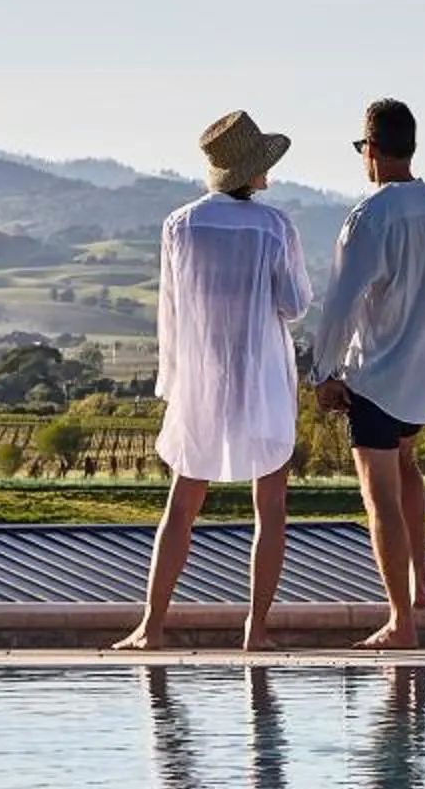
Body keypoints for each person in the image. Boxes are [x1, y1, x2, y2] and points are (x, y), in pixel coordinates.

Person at [115, 109, 312, 654]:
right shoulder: (275, 227)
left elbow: (170, 313)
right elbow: (294, 306)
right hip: (262, 375)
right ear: (252, 172)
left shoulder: (180, 225)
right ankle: (256, 631)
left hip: (201, 378)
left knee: (182, 503)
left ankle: (151, 627)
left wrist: (172, 386)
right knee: (270, 507)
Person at [311, 97, 425, 650]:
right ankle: (422, 586)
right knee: (408, 467)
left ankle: (400, 620)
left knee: (378, 494)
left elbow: (341, 301)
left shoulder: (369, 216)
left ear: (374, 150)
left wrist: (323, 371)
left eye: (364, 149)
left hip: (379, 373)